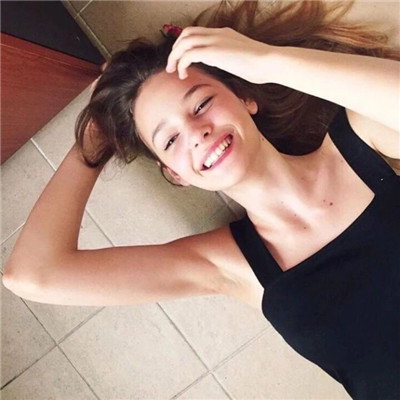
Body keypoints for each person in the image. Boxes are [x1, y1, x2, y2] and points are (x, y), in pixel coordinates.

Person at [3, 1, 399, 398]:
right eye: (170, 140)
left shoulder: (361, 139)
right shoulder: (227, 264)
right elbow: (33, 275)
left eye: (201, 104)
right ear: (176, 174)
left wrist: (266, 61)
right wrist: (95, 136)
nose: (196, 133)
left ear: (245, 97)